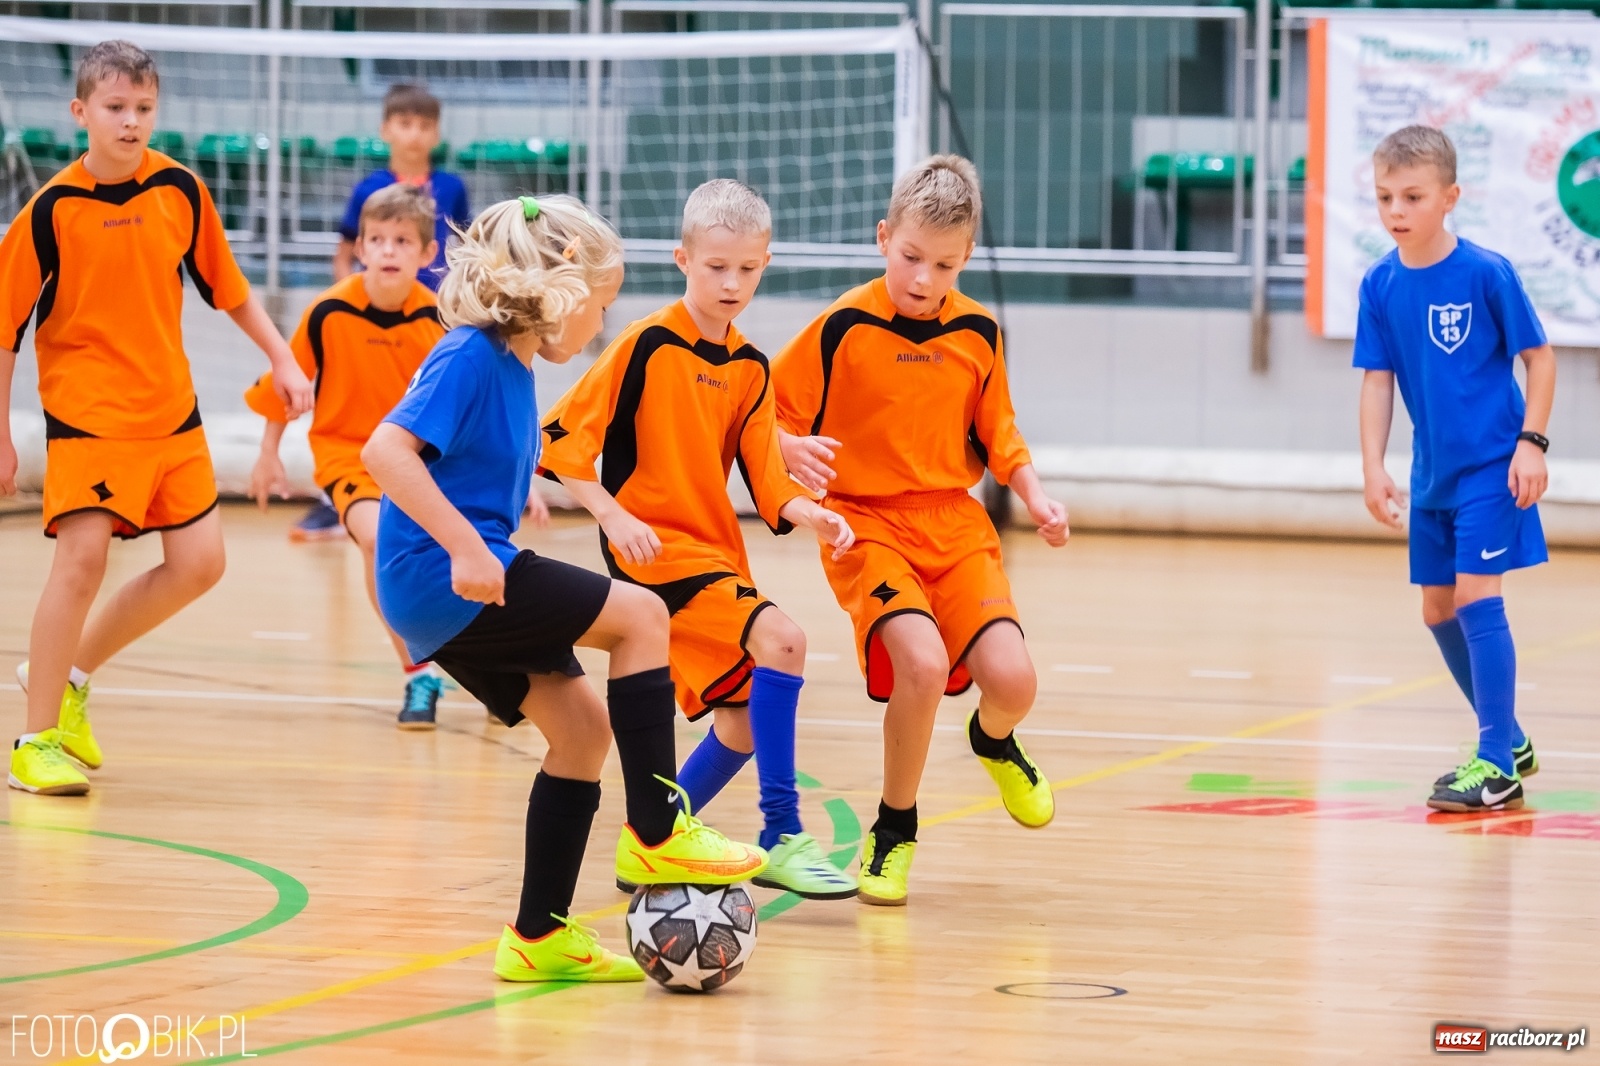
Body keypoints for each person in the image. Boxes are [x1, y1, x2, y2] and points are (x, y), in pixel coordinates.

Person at [362, 194, 766, 982]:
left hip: (454, 581)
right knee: (642, 614)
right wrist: (464, 547)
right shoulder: (470, 353)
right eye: (601, 305)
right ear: (564, 288)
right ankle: (657, 832)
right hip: (442, 577)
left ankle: (538, 937)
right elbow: (385, 452)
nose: (600, 325)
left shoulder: (511, 365)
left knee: (582, 732)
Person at [0, 40, 313, 795]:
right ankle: (34, 742)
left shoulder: (180, 189)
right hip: (87, 415)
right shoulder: (49, 212)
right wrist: (2, 433)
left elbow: (229, 288)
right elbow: (5, 331)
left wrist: (282, 358)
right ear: (81, 112)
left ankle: (70, 680)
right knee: (81, 563)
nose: (131, 121)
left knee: (201, 564)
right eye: (115, 107)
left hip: (171, 411)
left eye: (143, 108)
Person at [539, 179, 858, 900]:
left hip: (713, 553)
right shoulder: (644, 344)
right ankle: (782, 834)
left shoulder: (751, 367)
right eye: (716, 267)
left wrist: (814, 514)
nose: (731, 283)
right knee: (784, 641)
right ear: (683, 259)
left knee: (741, 723)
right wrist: (613, 517)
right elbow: (558, 444)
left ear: (765, 264)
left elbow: (768, 478)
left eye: (746, 269)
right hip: (652, 554)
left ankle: (648, 841)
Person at [772, 155, 1068, 906]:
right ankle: (894, 828)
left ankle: (992, 739)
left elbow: (1000, 432)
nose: (923, 278)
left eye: (943, 265)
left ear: (965, 259)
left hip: (954, 524)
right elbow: (761, 411)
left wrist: (1036, 496)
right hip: (865, 525)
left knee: (1015, 681)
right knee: (924, 665)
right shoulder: (841, 326)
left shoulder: (979, 332)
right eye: (910, 257)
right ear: (883, 238)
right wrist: (787, 448)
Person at [1355, 125, 1555, 813]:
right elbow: (1377, 380)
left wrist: (1532, 443)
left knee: (1475, 598)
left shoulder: (1486, 273)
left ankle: (1496, 764)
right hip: (1431, 474)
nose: (1396, 210)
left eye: (1412, 196)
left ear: (1450, 198)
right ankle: (1512, 739)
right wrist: (1373, 466)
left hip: (1492, 466)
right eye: (1385, 196)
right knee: (1436, 608)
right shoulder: (1380, 283)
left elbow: (1540, 359)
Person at [245, 183, 456, 729]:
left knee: (453, 561)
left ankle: (479, 663)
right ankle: (419, 673)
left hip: (420, 462)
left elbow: (464, 402)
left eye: (402, 241)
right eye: (377, 239)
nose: (388, 250)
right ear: (359, 247)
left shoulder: (441, 321)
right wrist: (268, 452)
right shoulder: (327, 310)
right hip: (348, 457)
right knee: (379, 540)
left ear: (427, 253)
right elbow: (286, 382)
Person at [291, 83, 471, 543]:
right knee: (355, 403)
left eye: (424, 125)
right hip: (371, 314)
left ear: (437, 134)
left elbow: (463, 253)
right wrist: (348, 299)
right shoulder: (370, 188)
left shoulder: (451, 188)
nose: (414, 134)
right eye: (405, 124)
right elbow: (345, 251)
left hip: (428, 320)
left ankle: (415, 495)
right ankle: (338, 498)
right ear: (386, 129)